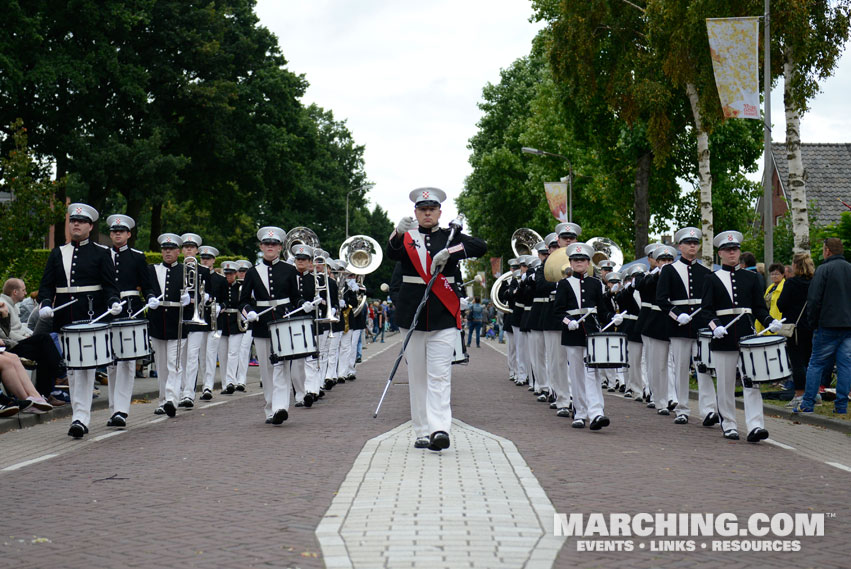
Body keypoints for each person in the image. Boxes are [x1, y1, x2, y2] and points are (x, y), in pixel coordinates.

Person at [388, 187, 486, 451]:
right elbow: (392, 253)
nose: (427, 212)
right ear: (415, 213)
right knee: (418, 376)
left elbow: (480, 246)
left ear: (440, 212)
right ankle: (421, 429)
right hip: (412, 315)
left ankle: (439, 429)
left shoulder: (449, 236)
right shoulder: (407, 237)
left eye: (432, 209)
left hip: (443, 313)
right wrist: (397, 232)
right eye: (422, 209)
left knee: (440, 376)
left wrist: (451, 252)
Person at [37, 203, 121, 438]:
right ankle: (78, 416)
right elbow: (46, 286)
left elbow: (110, 286)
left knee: (88, 367)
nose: (76, 224)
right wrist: (45, 303)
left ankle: (81, 418)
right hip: (65, 317)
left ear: (90, 226)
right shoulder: (57, 253)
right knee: (73, 370)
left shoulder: (102, 252)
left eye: (81, 221)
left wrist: (114, 301)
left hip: (90, 316)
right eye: (73, 220)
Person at [701, 231, 782, 442]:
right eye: (728, 250)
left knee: (751, 382)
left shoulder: (752, 277)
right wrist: (714, 326)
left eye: (735, 249)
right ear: (720, 254)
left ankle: (755, 425)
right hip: (723, 336)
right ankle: (728, 423)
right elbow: (706, 310)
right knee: (726, 384)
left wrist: (769, 322)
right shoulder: (711, 278)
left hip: (747, 337)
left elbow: (758, 308)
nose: (732, 253)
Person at [239, 227, 310, 424]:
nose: (270, 247)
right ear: (262, 247)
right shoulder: (252, 273)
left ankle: (280, 407)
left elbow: (295, 297)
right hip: (261, 323)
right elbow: (242, 301)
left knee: (282, 366)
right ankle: (269, 407)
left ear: (279, 248)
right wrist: (249, 312)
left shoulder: (289, 270)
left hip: (283, 322)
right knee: (266, 369)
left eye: (274, 244)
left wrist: (302, 304)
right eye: (267, 244)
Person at [656, 227, 718, 426]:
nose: (692, 246)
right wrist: (676, 314)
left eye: (695, 243)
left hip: (701, 326)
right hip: (679, 326)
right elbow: (661, 299)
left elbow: (710, 302)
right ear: (680, 246)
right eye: (688, 243)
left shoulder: (706, 272)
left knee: (704, 368)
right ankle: (682, 408)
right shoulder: (669, 270)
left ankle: (708, 410)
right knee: (681, 368)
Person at [553, 241, 617, 430]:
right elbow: (557, 311)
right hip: (572, 333)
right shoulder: (564, 284)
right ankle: (580, 413)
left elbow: (602, 309)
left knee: (592, 373)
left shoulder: (596, 284)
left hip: (592, 332)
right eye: (575, 260)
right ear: (570, 263)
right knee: (577, 374)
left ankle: (597, 412)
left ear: (588, 263)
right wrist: (568, 321)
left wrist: (613, 318)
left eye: (583, 260)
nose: (579, 262)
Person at [103, 214, 154, 427]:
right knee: (111, 362)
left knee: (127, 362)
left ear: (128, 234)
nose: (117, 234)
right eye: (114, 231)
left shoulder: (137, 256)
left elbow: (147, 284)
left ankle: (122, 410)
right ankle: (114, 407)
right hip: (107, 310)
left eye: (121, 231)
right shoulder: (102, 256)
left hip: (130, 309)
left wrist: (151, 298)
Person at [796, 238, 851, 414]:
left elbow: (813, 299)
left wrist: (813, 322)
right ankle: (841, 406)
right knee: (845, 365)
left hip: (827, 325)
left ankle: (807, 403)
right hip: (848, 326)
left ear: (827, 251)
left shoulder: (823, 269)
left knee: (816, 364)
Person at [147, 233, 190, 418]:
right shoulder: (152, 269)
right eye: (165, 249)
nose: (167, 252)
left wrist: (190, 298)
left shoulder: (186, 270)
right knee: (161, 365)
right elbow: (148, 288)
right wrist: (149, 297)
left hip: (177, 322)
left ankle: (172, 399)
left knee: (175, 363)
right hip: (158, 321)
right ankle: (162, 399)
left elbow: (195, 293)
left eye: (171, 249)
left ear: (178, 251)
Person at [1, 278, 63, 404]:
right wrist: (26, 338)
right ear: (15, 292)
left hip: (16, 342)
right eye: (23, 290)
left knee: (45, 348)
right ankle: (57, 375)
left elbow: (19, 327)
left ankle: (44, 391)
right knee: (45, 341)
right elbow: (5, 334)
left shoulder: (12, 306)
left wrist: (30, 335)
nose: (25, 293)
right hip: (11, 345)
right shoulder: (4, 305)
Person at [776, 253, 815, 408]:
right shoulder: (815, 282)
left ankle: (799, 394)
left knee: (797, 361)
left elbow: (781, 304)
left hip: (795, 327)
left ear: (796, 266)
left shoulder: (791, 283)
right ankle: (813, 393)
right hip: (812, 325)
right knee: (811, 361)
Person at [212, 261, 245, 400]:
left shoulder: (240, 287)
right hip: (222, 322)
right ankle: (226, 384)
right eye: (226, 273)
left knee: (233, 353)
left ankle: (231, 381)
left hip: (236, 322)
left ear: (236, 274)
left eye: (231, 273)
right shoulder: (221, 285)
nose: (228, 276)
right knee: (223, 354)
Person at [757, 262, 786, 334]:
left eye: (777, 274)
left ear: (782, 275)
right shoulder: (770, 288)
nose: (774, 276)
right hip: (769, 318)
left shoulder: (785, 287)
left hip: (778, 320)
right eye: (772, 274)